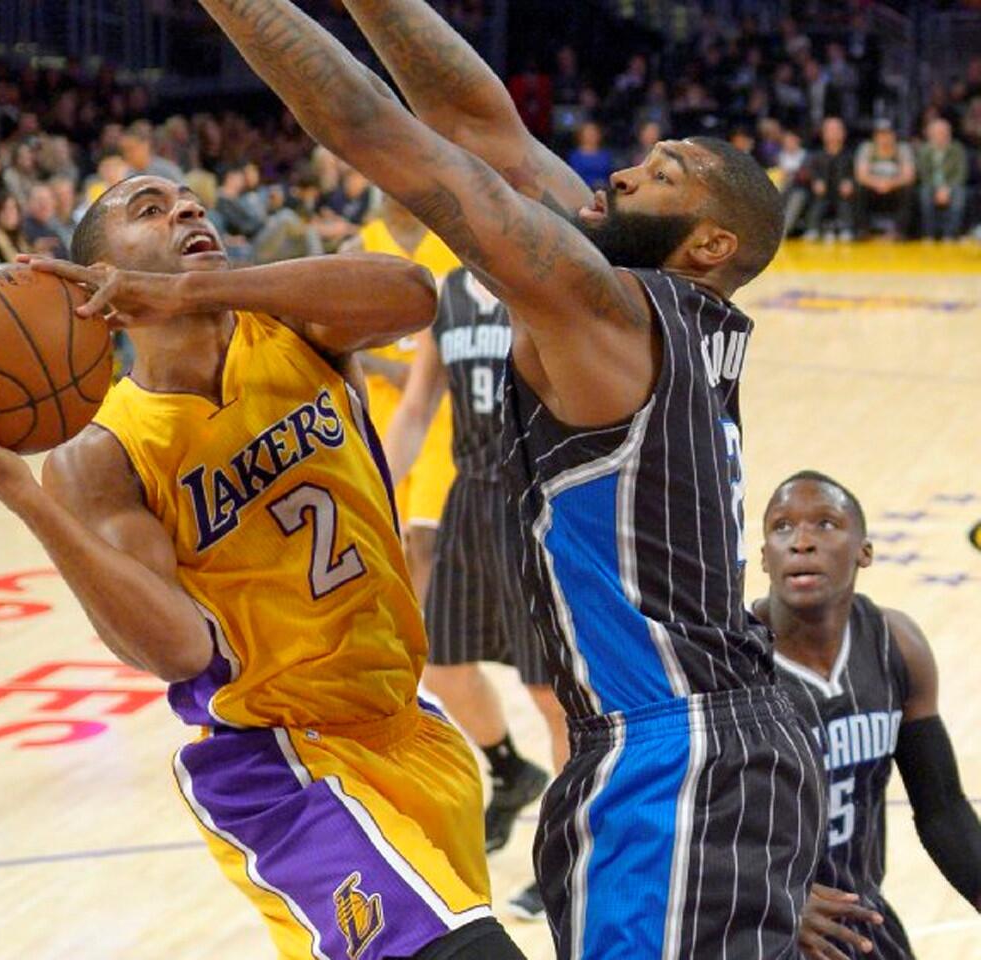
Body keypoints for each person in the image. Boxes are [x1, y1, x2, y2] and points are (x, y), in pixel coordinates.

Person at [200, 2, 823, 957]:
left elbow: (377, 132)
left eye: (662, 177)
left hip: (677, 749)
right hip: (675, 741)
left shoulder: (605, 308)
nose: (618, 173)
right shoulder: (652, 309)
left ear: (707, 246)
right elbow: (476, 128)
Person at [0, 174, 524, 959]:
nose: (187, 210)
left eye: (189, 201)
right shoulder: (105, 451)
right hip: (280, 764)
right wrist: (26, 499)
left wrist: (200, 287)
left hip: (410, 727)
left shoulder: (296, 325)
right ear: (98, 275)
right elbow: (177, 650)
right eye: (150, 209)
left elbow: (413, 294)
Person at [384, 264, 569, 920]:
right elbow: (416, 408)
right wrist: (373, 491)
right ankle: (511, 771)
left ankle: (568, 859)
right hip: (469, 497)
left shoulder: (541, 281)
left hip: (537, 499)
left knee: (550, 692)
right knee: (444, 666)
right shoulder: (450, 296)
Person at [754, 472, 981, 959]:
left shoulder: (894, 644)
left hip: (859, 922)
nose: (802, 542)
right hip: (755, 925)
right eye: (782, 527)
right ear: (764, 559)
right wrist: (769, 898)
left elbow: (941, 809)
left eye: (826, 524)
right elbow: (679, 819)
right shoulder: (729, 661)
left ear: (864, 552)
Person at [349, 197, 459, 604]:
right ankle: (396, 632)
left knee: (429, 536)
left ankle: (428, 641)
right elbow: (328, 339)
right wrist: (385, 368)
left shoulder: (454, 247)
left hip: (442, 409)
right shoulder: (359, 249)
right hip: (382, 407)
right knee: (391, 537)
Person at [854, 120, 915, 240]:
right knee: (859, 188)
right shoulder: (867, 148)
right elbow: (861, 175)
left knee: (908, 190)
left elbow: (909, 176)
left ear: (894, 136)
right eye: (881, 135)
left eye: (888, 134)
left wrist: (890, 184)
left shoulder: (903, 148)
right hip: (873, 190)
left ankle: (899, 231)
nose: (884, 138)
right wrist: (877, 183)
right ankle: (863, 230)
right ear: (875, 137)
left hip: (894, 190)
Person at [805, 117, 856, 242]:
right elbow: (809, 172)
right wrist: (815, 181)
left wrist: (851, 182)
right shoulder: (815, 155)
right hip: (821, 193)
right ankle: (812, 228)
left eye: (837, 129)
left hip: (843, 194)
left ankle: (846, 228)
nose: (833, 133)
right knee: (817, 200)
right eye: (830, 130)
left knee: (846, 200)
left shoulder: (851, 155)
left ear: (844, 133)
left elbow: (857, 173)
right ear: (823, 133)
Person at [917, 118, 968, 242]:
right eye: (938, 132)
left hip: (952, 185)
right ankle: (928, 234)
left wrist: (946, 189)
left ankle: (949, 235)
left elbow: (961, 173)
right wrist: (937, 189)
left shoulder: (957, 149)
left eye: (944, 132)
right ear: (930, 134)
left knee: (959, 194)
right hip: (931, 185)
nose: (941, 135)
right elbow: (923, 174)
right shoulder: (924, 150)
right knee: (925, 193)